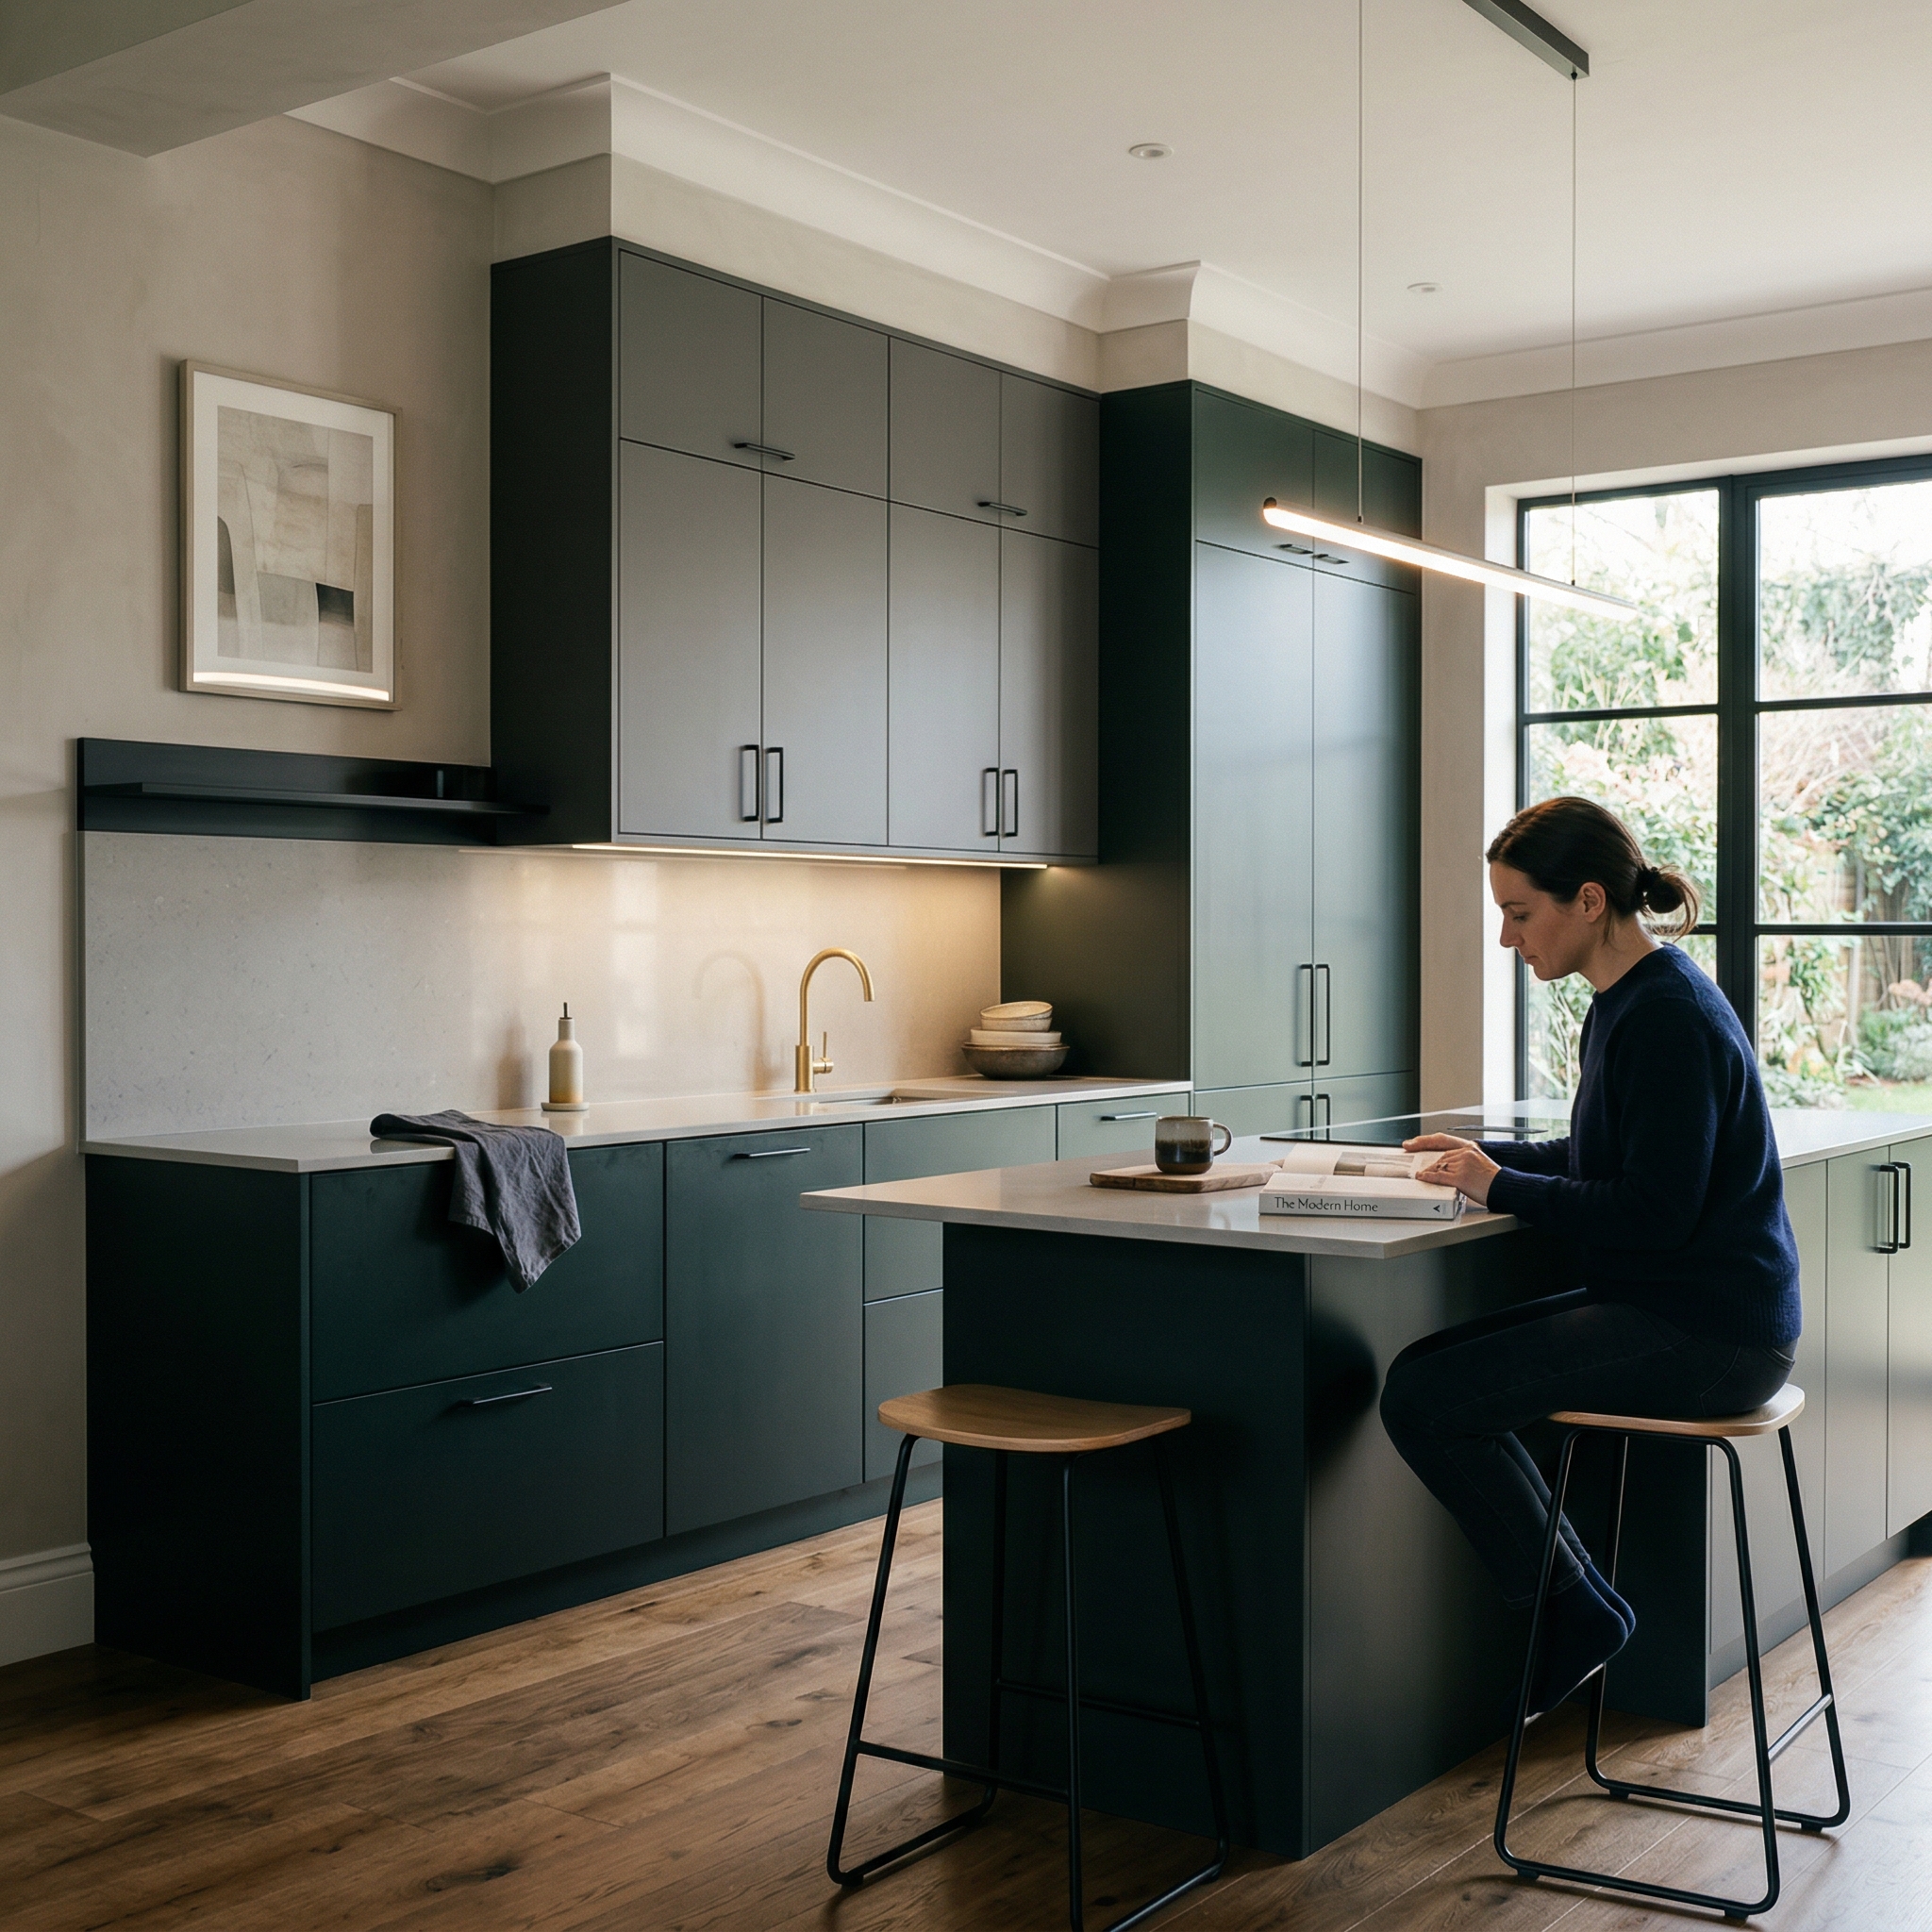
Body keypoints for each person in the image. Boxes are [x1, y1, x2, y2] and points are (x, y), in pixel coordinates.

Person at [1379, 795, 1800, 1715]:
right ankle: (1582, 1608)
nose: (1506, 937)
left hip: (1712, 1336)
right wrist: (1481, 1160)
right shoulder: (1628, 1000)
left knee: (1424, 1399)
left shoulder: (1666, 1016)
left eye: (1518, 912)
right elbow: (1604, 1156)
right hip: (1675, 1312)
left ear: (1587, 900)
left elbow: (1652, 1211)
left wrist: (1499, 1186)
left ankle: (1576, 1612)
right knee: (1419, 1379)